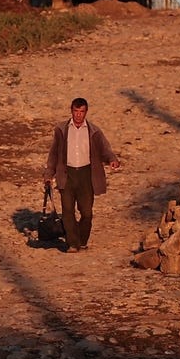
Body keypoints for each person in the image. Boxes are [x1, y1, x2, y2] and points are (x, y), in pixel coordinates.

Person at [43, 97, 122, 251]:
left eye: (82, 111)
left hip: (87, 174)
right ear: (71, 111)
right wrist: (48, 175)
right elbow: (54, 154)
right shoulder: (61, 130)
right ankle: (72, 243)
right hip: (66, 174)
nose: (78, 114)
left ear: (86, 112)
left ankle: (82, 239)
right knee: (67, 211)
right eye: (76, 111)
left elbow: (104, 149)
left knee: (86, 212)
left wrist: (112, 159)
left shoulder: (94, 131)